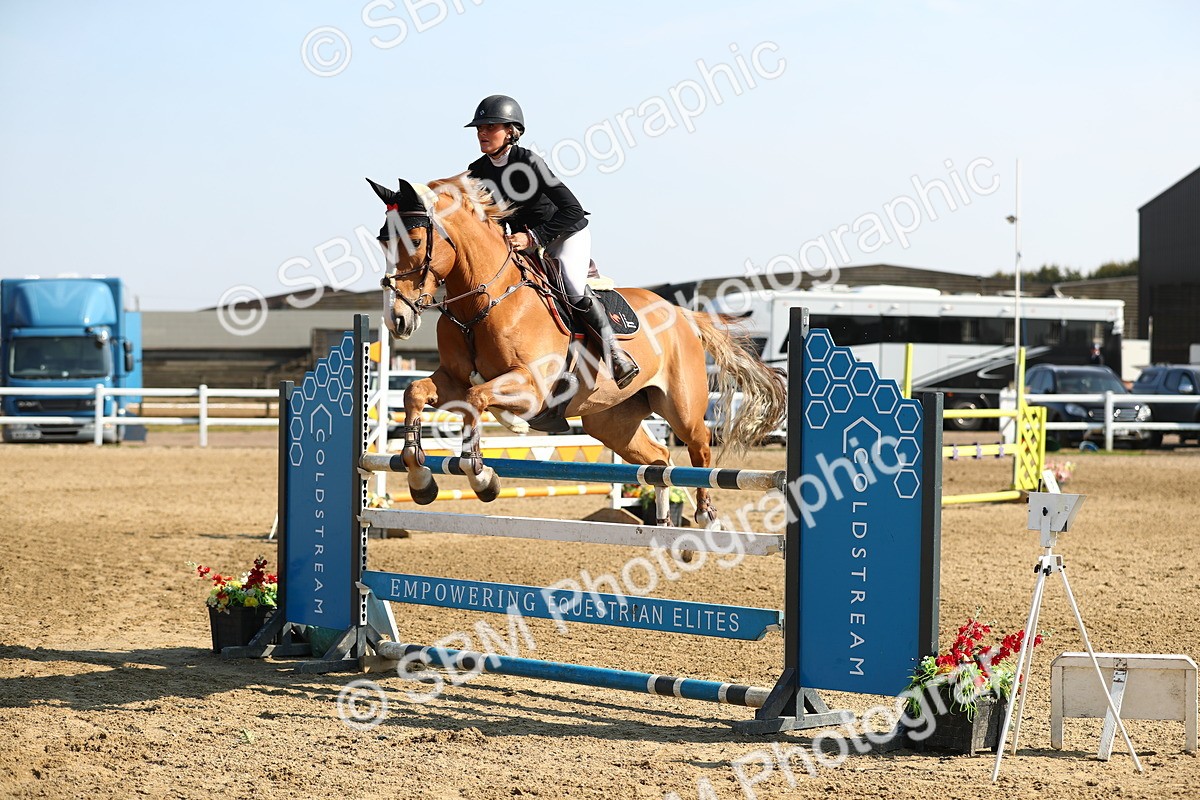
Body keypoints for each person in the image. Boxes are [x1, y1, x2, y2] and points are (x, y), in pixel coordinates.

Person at [463, 94, 639, 390]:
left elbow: (573, 209)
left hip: (565, 232)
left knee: (570, 284)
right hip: (522, 243)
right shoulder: (477, 170)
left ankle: (616, 355)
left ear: (510, 131)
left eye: (489, 126)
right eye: (479, 128)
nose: (482, 133)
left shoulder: (529, 162)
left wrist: (532, 236)